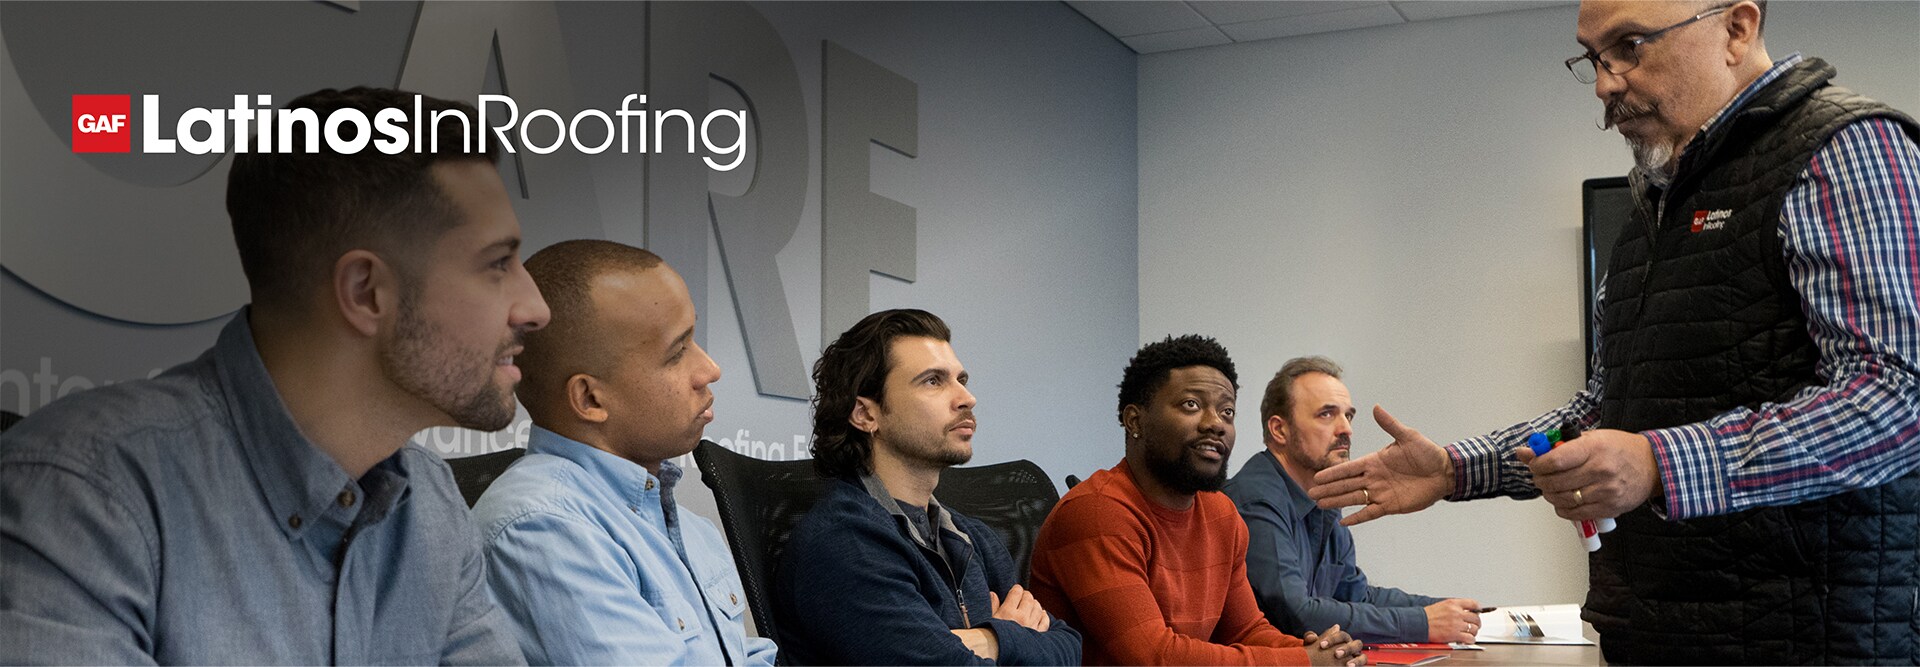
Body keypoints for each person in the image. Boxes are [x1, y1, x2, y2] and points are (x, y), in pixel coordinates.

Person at [1310, 1, 1920, 663]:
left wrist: (1661, 463)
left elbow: (1897, 397)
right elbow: (1600, 416)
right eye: (1593, 57)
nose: (1604, 83)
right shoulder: (1652, 211)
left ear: (1736, 29)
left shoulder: (1844, 150)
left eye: (1630, 45)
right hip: (1659, 632)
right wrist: (1459, 468)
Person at [0, 87, 543, 663]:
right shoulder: (84, 493)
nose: (536, 307)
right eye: (497, 264)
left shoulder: (428, 503)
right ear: (366, 292)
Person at [470, 240, 776, 665]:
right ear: (591, 399)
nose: (710, 370)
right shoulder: (545, 530)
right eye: (677, 352)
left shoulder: (691, 529)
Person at [1028, 335, 1365, 666]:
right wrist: (1302, 661)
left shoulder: (1222, 514)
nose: (1215, 423)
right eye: (1191, 405)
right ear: (1135, 420)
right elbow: (1154, 656)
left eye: (1227, 411)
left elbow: (1246, 630)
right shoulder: (1097, 513)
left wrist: (1325, 652)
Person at [773, 309, 1081, 665]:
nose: (966, 398)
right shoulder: (845, 542)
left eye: (961, 379)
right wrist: (1010, 635)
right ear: (866, 414)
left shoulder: (972, 538)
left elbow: (1069, 646)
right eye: (933, 381)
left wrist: (988, 640)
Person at [1224, 357, 1481, 644]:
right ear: (1279, 430)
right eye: (1327, 414)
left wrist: (1448, 610)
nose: (1346, 429)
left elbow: (1355, 595)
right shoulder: (1255, 500)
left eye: (1348, 416)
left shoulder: (1324, 497)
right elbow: (1297, 615)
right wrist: (1422, 622)